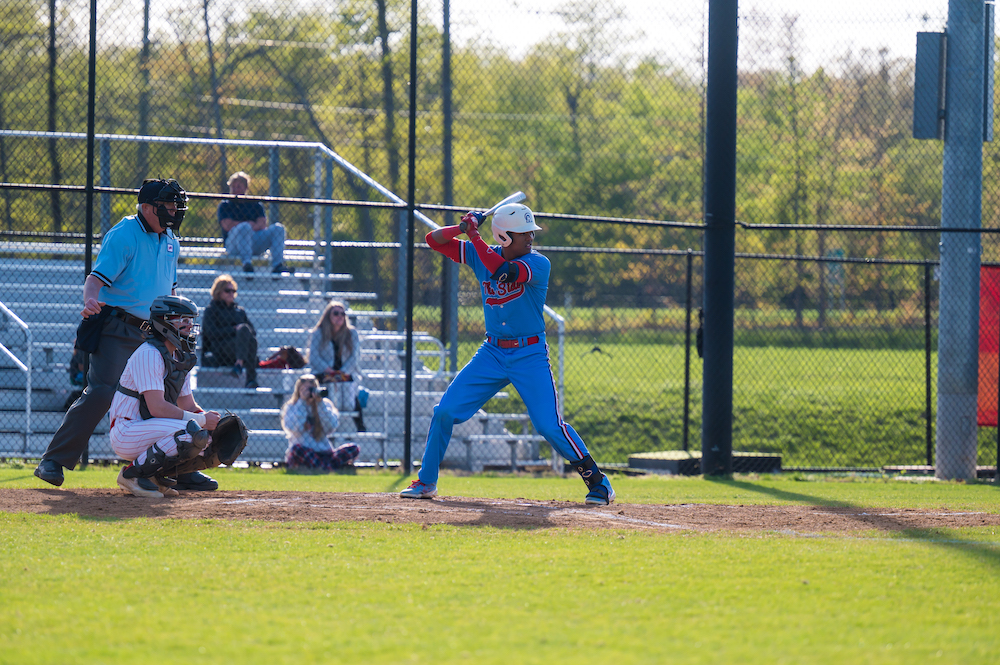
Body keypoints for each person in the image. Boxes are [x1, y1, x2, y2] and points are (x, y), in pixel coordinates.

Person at [400, 203, 615, 505]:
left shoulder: (538, 263)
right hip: (492, 352)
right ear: (502, 237)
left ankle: (599, 483)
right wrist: (463, 228)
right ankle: (426, 482)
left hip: (530, 354)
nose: (530, 238)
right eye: (523, 234)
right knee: (444, 411)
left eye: (530, 233)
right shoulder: (479, 251)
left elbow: (503, 271)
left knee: (548, 425)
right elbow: (433, 240)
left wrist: (474, 236)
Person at [33, 178, 215, 493]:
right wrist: (90, 299)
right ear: (146, 207)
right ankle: (54, 461)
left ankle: (180, 471)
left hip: (157, 332)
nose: (173, 211)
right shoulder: (124, 234)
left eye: (176, 206)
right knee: (103, 392)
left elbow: (170, 291)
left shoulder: (171, 240)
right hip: (119, 328)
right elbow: (96, 279)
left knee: (168, 397)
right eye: (167, 206)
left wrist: (179, 324)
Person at [111, 295, 223, 497]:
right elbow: (157, 407)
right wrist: (201, 421)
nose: (189, 326)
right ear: (164, 322)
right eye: (183, 320)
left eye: (191, 320)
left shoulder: (179, 356)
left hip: (148, 428)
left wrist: (213, 424)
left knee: (206, 439)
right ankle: (131, 475)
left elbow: (188, 405)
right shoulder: (149, 353)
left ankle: (155, 475)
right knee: (191, 433)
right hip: (126, 430)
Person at [307, 300, 366, 432]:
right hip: (324, 372)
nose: (340, 316)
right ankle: (318, 424)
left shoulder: (352, 333)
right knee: (322, 387)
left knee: (349, 402)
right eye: (336, 313)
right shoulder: (318, 333)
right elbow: (313, 357)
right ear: (328, 316)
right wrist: (328, 369)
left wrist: (342, 371)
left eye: (342, 314)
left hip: (345, 373)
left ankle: (360, 426)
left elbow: (354, 357)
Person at [281, 373, 360, 472]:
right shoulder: (292, 407)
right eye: (305, 389)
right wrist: (302, 402)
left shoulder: (325, 404)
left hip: (324, 453)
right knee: (297, 450)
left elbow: (331, 427)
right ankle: (330, 467)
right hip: (305, 452)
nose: (309, 393)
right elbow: (296, 429)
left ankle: (323, 467)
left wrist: (320, 404)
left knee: (353, 448)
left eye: (311, 389)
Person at [218, 171, 287, 274]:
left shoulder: (255, 204)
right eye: (233, 186)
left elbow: (263, 224)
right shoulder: (225, 205)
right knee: (244, 227)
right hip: (234, 244)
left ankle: (277, 265)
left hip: (254, 241)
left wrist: (240, 225)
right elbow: (227, 226)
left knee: (278, 228)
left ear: (246, 188)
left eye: (239, 186)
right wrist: (249, 225)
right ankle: (247, 264)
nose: (236, 189)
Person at [201, 274, 259, 389]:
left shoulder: (239, 311)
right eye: (228, 290)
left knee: (246, 332)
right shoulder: (211, 310)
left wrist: (241, 331)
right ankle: (250, 379)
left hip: (238, 349)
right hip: (221, 349)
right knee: (245, 332)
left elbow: (252, 332)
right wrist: (233, 330)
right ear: (218, 291)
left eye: (233, 291)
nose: (231, 293)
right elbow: (211, 333)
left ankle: (239, 364)